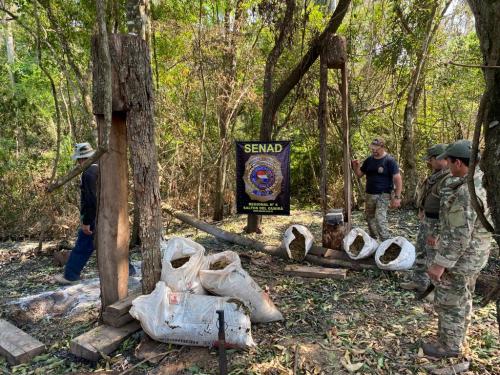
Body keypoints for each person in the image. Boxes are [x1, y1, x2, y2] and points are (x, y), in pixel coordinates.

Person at [422, 140, 492, 358]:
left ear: (459, 163)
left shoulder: (466, 192)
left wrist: (440, 263)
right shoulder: (483, 181)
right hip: (477, 253)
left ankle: (449, 346)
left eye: (449, 161)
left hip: (463, 259)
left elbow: (460, 235)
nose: (446, 164)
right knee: (464, 296)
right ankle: (459, 337)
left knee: (450, 301)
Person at [54, 143, 135, 284]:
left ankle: (70, 276)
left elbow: (91, 201)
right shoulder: (104, 168)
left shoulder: (89, 174)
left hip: (96, 216)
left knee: (83, 245)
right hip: (111, 213)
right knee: (114, 243)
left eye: (79, 160)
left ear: (81, 160)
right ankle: (129, 270)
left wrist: (86, 222)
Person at [401, 144, 449, 293]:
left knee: (433, 256)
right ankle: (419, 281)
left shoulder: (449, 179)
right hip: (427, 220)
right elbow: (428, 194)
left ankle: (434, 290)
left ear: (441, 159)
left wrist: (437, 233)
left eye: (432, 159)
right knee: (420, 250)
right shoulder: (435, 175)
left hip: (437, 223)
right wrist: (422, 209)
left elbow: (447, 210)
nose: (429, 162)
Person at [351, 138, 403, 241]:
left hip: (383, 194)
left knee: (379, 218)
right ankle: (373, 241)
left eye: (376, 149)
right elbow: (359, 174)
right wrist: (356, 167)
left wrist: (397, 197)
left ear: (382, 147)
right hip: (370, 194)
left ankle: (386, 242)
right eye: (372, 149)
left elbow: (397, 179)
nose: (374, 151)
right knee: (370, 218)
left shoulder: (389, 160)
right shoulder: (369, 160)